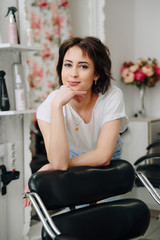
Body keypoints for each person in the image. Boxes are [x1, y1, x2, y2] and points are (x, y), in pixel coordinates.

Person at [23, 36, 128, 207]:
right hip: (71, 154)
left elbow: (103, 156)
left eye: (83, 66)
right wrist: (57, 106)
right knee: (79, 210)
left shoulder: (112, 96)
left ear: (97, 74)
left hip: (108, 156)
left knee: (105, 211)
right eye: (68, 65)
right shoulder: (48, 106)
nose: (73, 73)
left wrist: (53, 166)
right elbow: (60, 161)